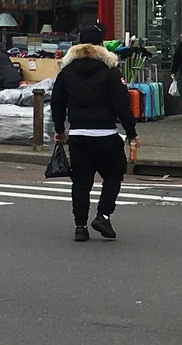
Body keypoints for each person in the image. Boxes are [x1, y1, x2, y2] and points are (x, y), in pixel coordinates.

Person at [51, 22, 138, 243]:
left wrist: (60, 130)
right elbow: (122, 105)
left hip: (79, 134)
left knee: (80, 182)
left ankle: (80, 226)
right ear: (101, 45)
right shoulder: (110, 71)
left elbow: (57, 103)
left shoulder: (67, 72)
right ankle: (103, 215)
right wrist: (131, 133)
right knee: (114, 174)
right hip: (106, 134)